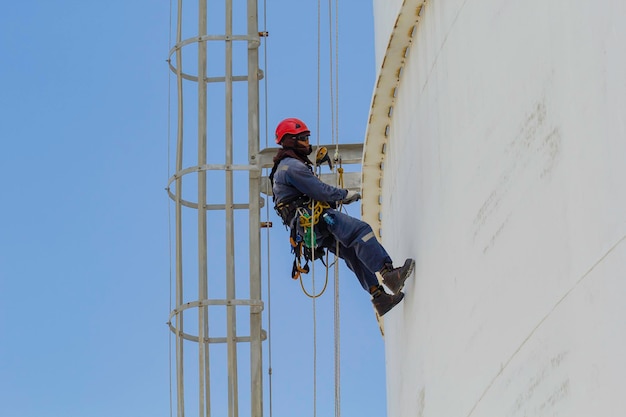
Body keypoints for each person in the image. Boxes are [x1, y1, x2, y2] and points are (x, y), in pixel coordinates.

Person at [269, 117, 415, 317]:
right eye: (302, 138)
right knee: (360, 232)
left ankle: (379, 297)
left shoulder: (283, 169)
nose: (307, 143)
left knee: (351, 252)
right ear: (290, 141)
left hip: (310, 229)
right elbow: (319, 190)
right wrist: (344, 195)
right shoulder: (292, 167)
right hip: (317, 219)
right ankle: (389, 274)